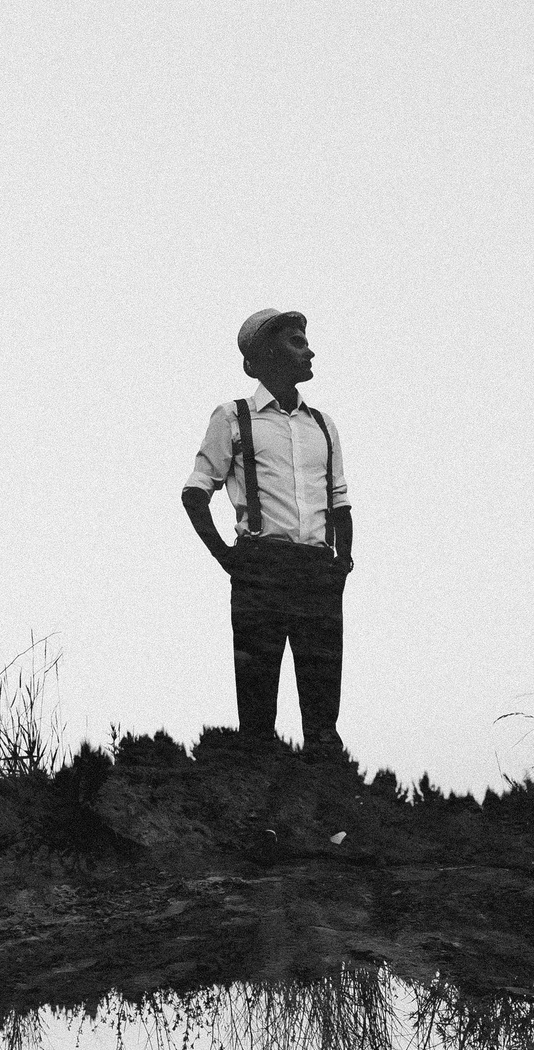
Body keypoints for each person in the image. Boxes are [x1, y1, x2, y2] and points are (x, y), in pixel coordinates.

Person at [181, 309, 354, 761]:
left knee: (323, 719)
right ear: (267, 354)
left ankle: (326, 806)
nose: (309, 350)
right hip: (261, 566)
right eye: (297, 342)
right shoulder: (233, 417)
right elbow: (195, 494)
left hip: (318, 570)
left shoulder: (323, 424)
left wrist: (342, 563)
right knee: (257, 708)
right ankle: (259, 808)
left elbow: (340, 501)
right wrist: (228, 558)